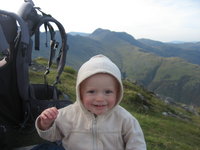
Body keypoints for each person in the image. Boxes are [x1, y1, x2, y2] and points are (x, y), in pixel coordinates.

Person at [35, 54, 146, 150]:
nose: (100, 99)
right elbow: (52, 136)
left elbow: (137, 145)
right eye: (91, 91)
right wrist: (45, 124)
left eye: (108, 92)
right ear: (80, 93)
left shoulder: (125, 119)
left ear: (117, 93)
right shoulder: (68, 114)